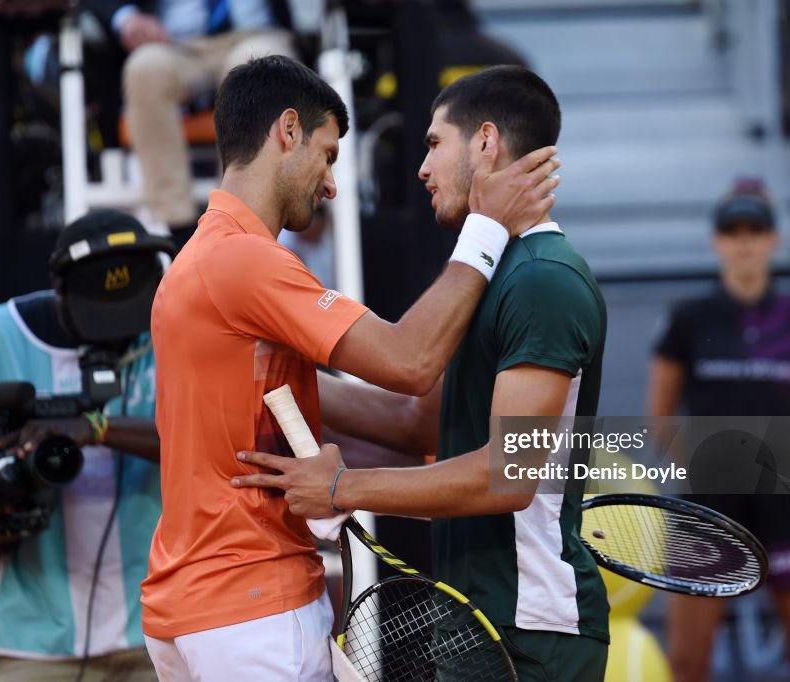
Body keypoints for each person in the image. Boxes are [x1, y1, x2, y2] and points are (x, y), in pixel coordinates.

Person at [140, 55, 558, 680]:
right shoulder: (245, 262)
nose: (332, 184)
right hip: (250, 609)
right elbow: (410, 361)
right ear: (287, 131)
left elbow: (406, 420)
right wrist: (486, 229)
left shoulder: (197, 263)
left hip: (190, 609)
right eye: (329, 154)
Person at [233, 65, 610, 682]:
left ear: (486, 143)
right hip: (477, 617)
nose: (422, 169)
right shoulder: (500, 275)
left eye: (435, 144)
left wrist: (342, 489)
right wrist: (278, 377)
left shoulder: (545, 280)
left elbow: (508, 477)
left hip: (530, 630)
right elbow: (416, 424)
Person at [0, 209, 173, 681]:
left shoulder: (171, 330)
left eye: (128, 312)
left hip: (159, 631)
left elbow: (208, 436)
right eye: (102, 316)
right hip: (32, 640)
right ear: (59, 290)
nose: (120, 332)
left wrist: (96, 427)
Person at [647, 178, 790, 682]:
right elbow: (660, 414)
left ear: (773, 240)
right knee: (688, 662)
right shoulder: (690, 318)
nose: (744, 242)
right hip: (708, 508)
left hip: (787, 506)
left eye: (754, 231)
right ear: (717, 241)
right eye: (732, 231)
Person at [86, 0, 298, 248]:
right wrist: (127, 17)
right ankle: (181, 236)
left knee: (257, 74)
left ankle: (241, 232)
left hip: (258, 34)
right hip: (176, 44)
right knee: (145, 68)